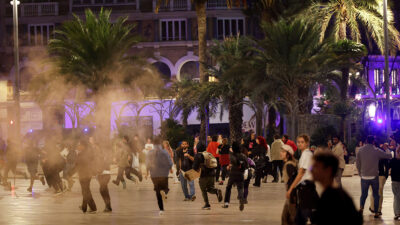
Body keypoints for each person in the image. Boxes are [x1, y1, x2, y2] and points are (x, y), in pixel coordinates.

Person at [312, 152, 363, 225]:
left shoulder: (332, 197)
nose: (311, 170)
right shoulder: (331, 192)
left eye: (315, 167)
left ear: (328, 170)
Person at [356, 135, 392, 218]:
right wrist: (386, 149)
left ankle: (361, 208)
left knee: (363, 194)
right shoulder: (376, 150)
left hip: (364, 176)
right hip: (374, 176)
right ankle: (376, 212)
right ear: (373, 141)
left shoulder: (360, 150)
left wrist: (360, 173)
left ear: (366, 141)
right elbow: (388, 156)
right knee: (376, 195)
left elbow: (358, 163)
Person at [286, 134, 318, 225]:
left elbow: (301, 174)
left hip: (306, 188)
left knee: (303, 217)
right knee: (309, 215)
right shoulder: (307, 154)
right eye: (298, 142)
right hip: (308, 187)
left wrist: (291, 188)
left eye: (302, 142)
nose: (299, 144)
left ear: (307, 143)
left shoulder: (305, 155)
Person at [146, 137, 173, 215]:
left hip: (154, 174)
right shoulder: (164, 152)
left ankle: (161, 209)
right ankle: (164, 191)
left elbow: (147, 163)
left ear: (153, 144)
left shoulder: (149, 152)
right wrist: (171, 168)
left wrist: (147, 172)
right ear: (160, 143)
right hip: (163, 174)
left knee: (157, 191)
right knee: (166, 188)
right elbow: (169, 161)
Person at [193, 142, 223, 210]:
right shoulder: (209, 154)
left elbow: (195, 167)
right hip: (212, 174)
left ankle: (207, 204)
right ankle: (216, 191)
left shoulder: (198, 155)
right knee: (210, 188)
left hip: (203, 175)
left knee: (203, 190)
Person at [222, 142, 248, 211]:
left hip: (233, 173)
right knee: (240, 188)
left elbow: (233, 161)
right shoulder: (243, 155)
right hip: (240, 174)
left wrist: (230, 166)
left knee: (228, 187)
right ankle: (241, 199)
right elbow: (247, 165)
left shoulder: (232, 155)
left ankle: (226, 203)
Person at [90, 137, 112, 212]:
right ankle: (108, 206)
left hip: (105, 173)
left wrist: (99, 169)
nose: (95, 148)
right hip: (100, 175)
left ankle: (108, 206)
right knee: (104, 190)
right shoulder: (96, 155)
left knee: (103, 189)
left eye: (96, 147)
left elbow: (104, 163)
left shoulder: (102, 155)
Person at [368, 142, 390, 216]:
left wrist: (385, 175)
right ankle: (373, 208)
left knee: (378, 192)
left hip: (380, 176)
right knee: (374, 193)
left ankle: (377, 209)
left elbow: (387, 165)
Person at [76, 140, 97, 213]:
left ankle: (87, 207)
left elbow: (78, 164)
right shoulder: (88, 153)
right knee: (86, 191)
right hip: (87, 174)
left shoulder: (82, 154)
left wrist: (69, 173)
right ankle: (88, 207)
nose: (78, 146)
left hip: (84, 174)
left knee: (85, 191)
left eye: (79, 145)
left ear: (83, 146)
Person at [280, 144, 297, 225]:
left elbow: (293, 181)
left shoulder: (289, 165)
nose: (281, 153)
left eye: (283, 152)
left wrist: (291, 195)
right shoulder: (289, 164)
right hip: (290, 195)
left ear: (288, 154)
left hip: (292, 196)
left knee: (292, 219)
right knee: (285, 218)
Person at [390, 146, 400, 220]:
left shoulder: (393, 160)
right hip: (395, 181)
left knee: (396, 197)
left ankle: (397, 213)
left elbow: (388, 167)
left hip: (394, 180)